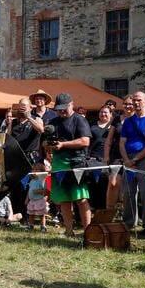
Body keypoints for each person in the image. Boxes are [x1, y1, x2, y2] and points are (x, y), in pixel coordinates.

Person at [44, 92, 92, 237]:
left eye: (64, 108)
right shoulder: (54, 122)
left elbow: (85, 141)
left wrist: (63, 145)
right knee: (64, 200)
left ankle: (88, 232)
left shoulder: (79, 120)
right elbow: (45, 142)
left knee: (81, 199)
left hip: (75, 164)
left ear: (72, 104)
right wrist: (49, 145)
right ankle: (69, 231)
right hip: (59, 164)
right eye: (59, 108)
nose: (62, 111)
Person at [119, 91, 145, 231]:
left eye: (139, 100)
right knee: (128, 192)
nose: (136, 103)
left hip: (144, 159)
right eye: (135, 100)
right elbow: (122, 141)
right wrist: (126, 159)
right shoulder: (128, 121)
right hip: (128, 159)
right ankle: (129, 223)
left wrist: (136, 159)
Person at [103, 95, 135, 209]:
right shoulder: (117, 119)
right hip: (115, 155)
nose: (128, 106)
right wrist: (106, 155)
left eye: (130, 104)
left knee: (127, 185)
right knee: (113, 183)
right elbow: (109, 139)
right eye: (125, 104)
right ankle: (109, 210)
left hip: (131, 155)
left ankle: (125, 211)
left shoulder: (137, 119)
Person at [25, 162, 50, 232]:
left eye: (37, 170)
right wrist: (27, 199)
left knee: (42, 214)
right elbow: (29, 190)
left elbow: (45, 190)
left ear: (42, 172)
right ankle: (31, 225)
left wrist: (39, 191)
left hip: (39, 200)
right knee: (31, 214)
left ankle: (43, 226)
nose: (34, 171)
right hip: (32, 201)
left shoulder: (42, 180)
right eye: (33, 169)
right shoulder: (32, 180)